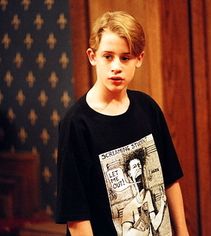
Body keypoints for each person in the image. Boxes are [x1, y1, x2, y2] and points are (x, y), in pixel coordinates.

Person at [56, 11, 189, 236]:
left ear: (139, 59)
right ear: (92, 57)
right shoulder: (76, 124)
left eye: (125, 57)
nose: (116, 66)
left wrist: (183, 232)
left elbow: (170, 179)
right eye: (108, 56)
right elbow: (76, 218)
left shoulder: (148, 108)